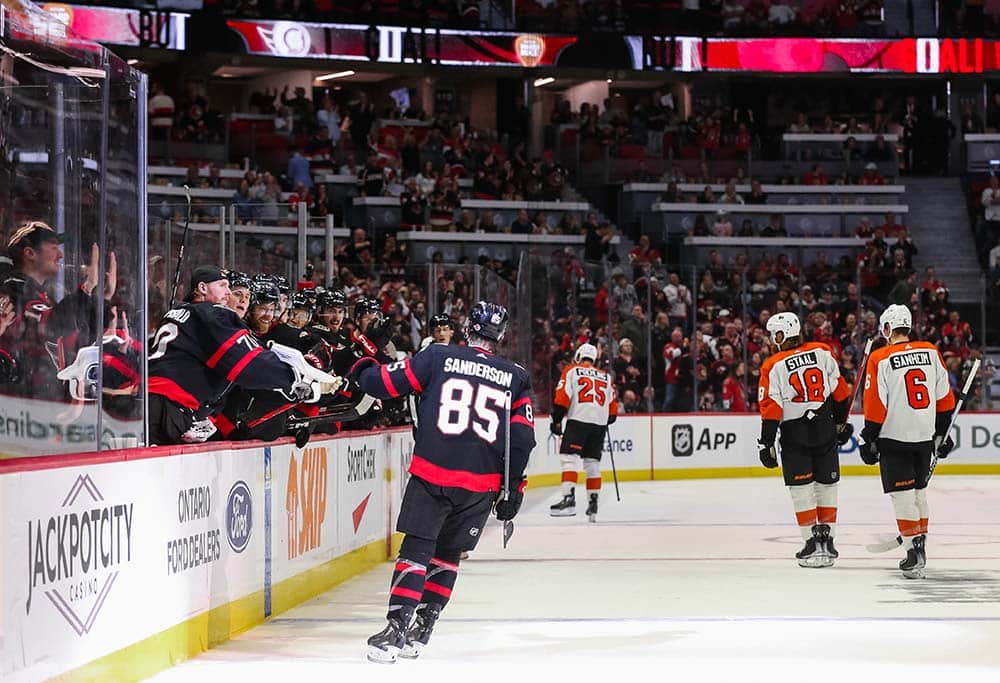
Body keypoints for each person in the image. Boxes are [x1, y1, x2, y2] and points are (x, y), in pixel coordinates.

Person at [356, 301, 535, 663]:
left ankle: (396, 630)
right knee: (449, 553)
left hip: (433, 472)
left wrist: (361, 364)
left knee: (418, 549)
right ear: (500, 336)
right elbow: (522, 440)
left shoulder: (437, 356)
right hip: (481, 485)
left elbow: (384, 383)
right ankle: (423, 628)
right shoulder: (516, 376)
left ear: (468, 328)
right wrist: (513, 488)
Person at [147, 266, 334, 445]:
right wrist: (294, 378)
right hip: (171, 409)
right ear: (202, 288)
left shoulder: (176, 312)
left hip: (149, 406)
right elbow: (249, 366)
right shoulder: (212, 313)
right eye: (223, 286)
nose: (227, 292)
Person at [859, 304, 956, 579]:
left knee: (903, 497)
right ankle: (919, 544)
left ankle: (913, 553)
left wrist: (868, 439)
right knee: (918, 495)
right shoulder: (931, 351)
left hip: (895, 437)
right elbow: (944, 399)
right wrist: (941, 433)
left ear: (888, 328)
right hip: (924, 437)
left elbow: (876, 405)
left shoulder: (880, 358)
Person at [757, 312, 852, 568]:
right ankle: (828, 541)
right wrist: (841, 422)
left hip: (794, 432)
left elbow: (772, 407)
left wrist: (765, 442)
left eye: (774, 333)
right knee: (826, 487)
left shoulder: (773, 365)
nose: (771, 339)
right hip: (824, 428)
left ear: (782, 334)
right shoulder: (822, 351)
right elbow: (840, 392)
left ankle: (811, 544)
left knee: (802, 492)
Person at [549, 343, 619, 522]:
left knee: (568, 458)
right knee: (592, 463)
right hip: (599, 426)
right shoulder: (606, 377)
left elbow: (562, 397)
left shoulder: (572, 370)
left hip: (578, 420)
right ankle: (593, 504)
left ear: (579, 355)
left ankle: (568, 499)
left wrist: (556, 420)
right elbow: (612, 414)